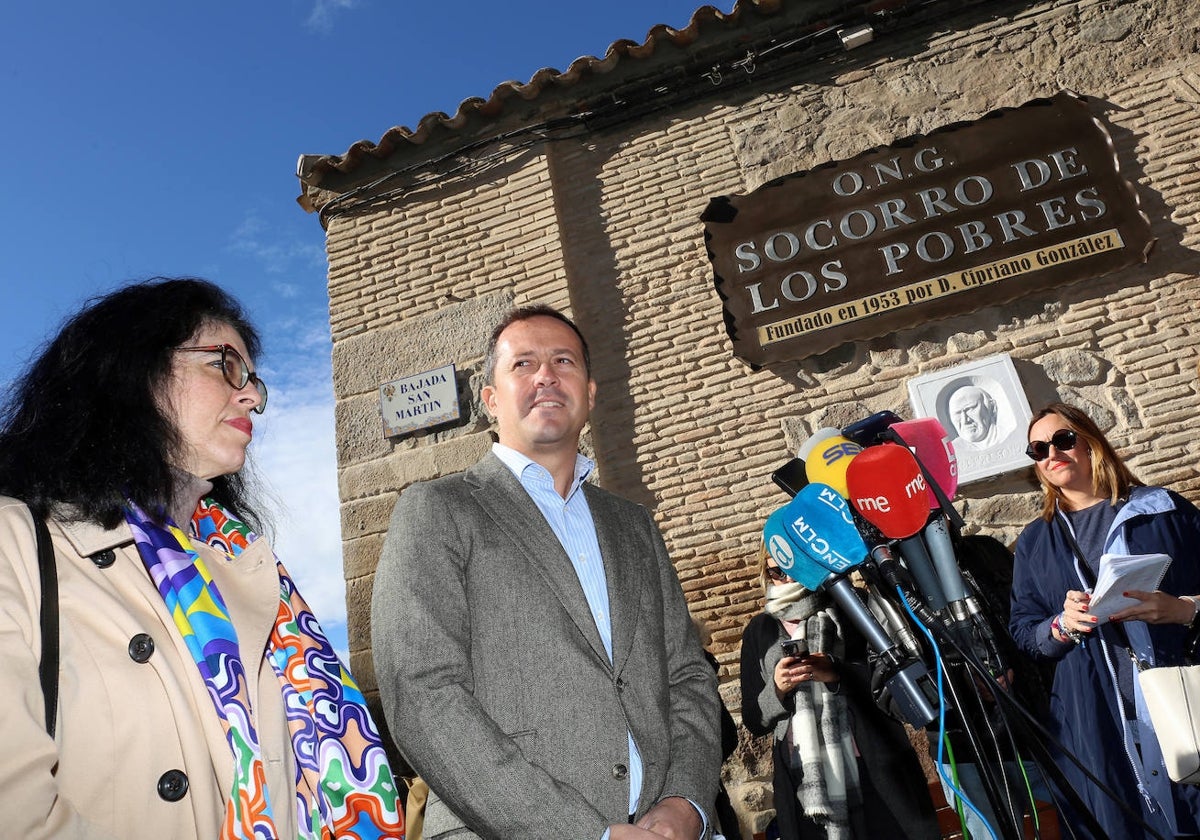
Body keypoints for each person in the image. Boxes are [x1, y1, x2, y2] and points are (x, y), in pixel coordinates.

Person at [0, 277, 404, 839]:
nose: (254, 396)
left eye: (254, 378)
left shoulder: (255, 578)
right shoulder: (14, 543)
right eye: (225, 365)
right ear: (132, 370)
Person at [371, 304, 721, 839]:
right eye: (523, 364)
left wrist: (685, 803)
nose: (546, 376)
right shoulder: (437, 510)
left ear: (590, 393)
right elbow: (422, 694)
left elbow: (688, 676)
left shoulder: (635, 527)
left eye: (564, 361)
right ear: (490, 399)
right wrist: (583, 834)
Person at [1009, 401, 1200, 839]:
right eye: (1038, 450)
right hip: (1096, 718)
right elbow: (1024, 631)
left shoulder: (1163, 509)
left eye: (1062, 440)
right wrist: (1062, 624)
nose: (1051, 454)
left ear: (1091, 442)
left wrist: (1183, 608)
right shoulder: (1036, 541)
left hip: (1182, 697)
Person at [738, 546, 941, 840]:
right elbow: (754, 720)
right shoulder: (760, 630)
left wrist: (835, 673)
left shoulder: (851, 603)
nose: (786, 579)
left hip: (872, 766)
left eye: (792, 569)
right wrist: (778, 688)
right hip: (805, 781)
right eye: (776, 572)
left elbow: (891, 679)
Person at [947, 385, 1002, 450]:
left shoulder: (1004, 434)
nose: (965, 421)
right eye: (957, 413)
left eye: (970, 409)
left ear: (992, 407)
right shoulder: (953, 448)